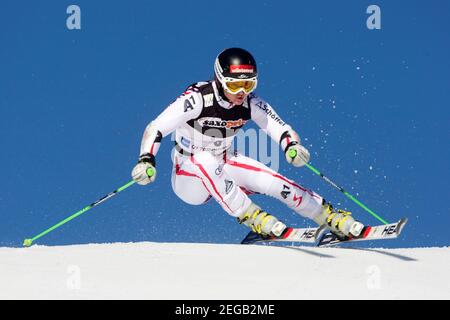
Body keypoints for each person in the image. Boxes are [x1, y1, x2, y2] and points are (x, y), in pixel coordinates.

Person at [131, 47, 364, 239]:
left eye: (249, 84)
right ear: (220, 80)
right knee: (202, 159)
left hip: (224, 160)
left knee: (273, 181)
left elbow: (279, 127)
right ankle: (253, 217)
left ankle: (329, 216)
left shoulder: (249, 103)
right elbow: (157, 127)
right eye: (234, 85)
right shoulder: (198, 98)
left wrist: (292, 146)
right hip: (188, 176)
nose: (241, 92)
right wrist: (146, 159)